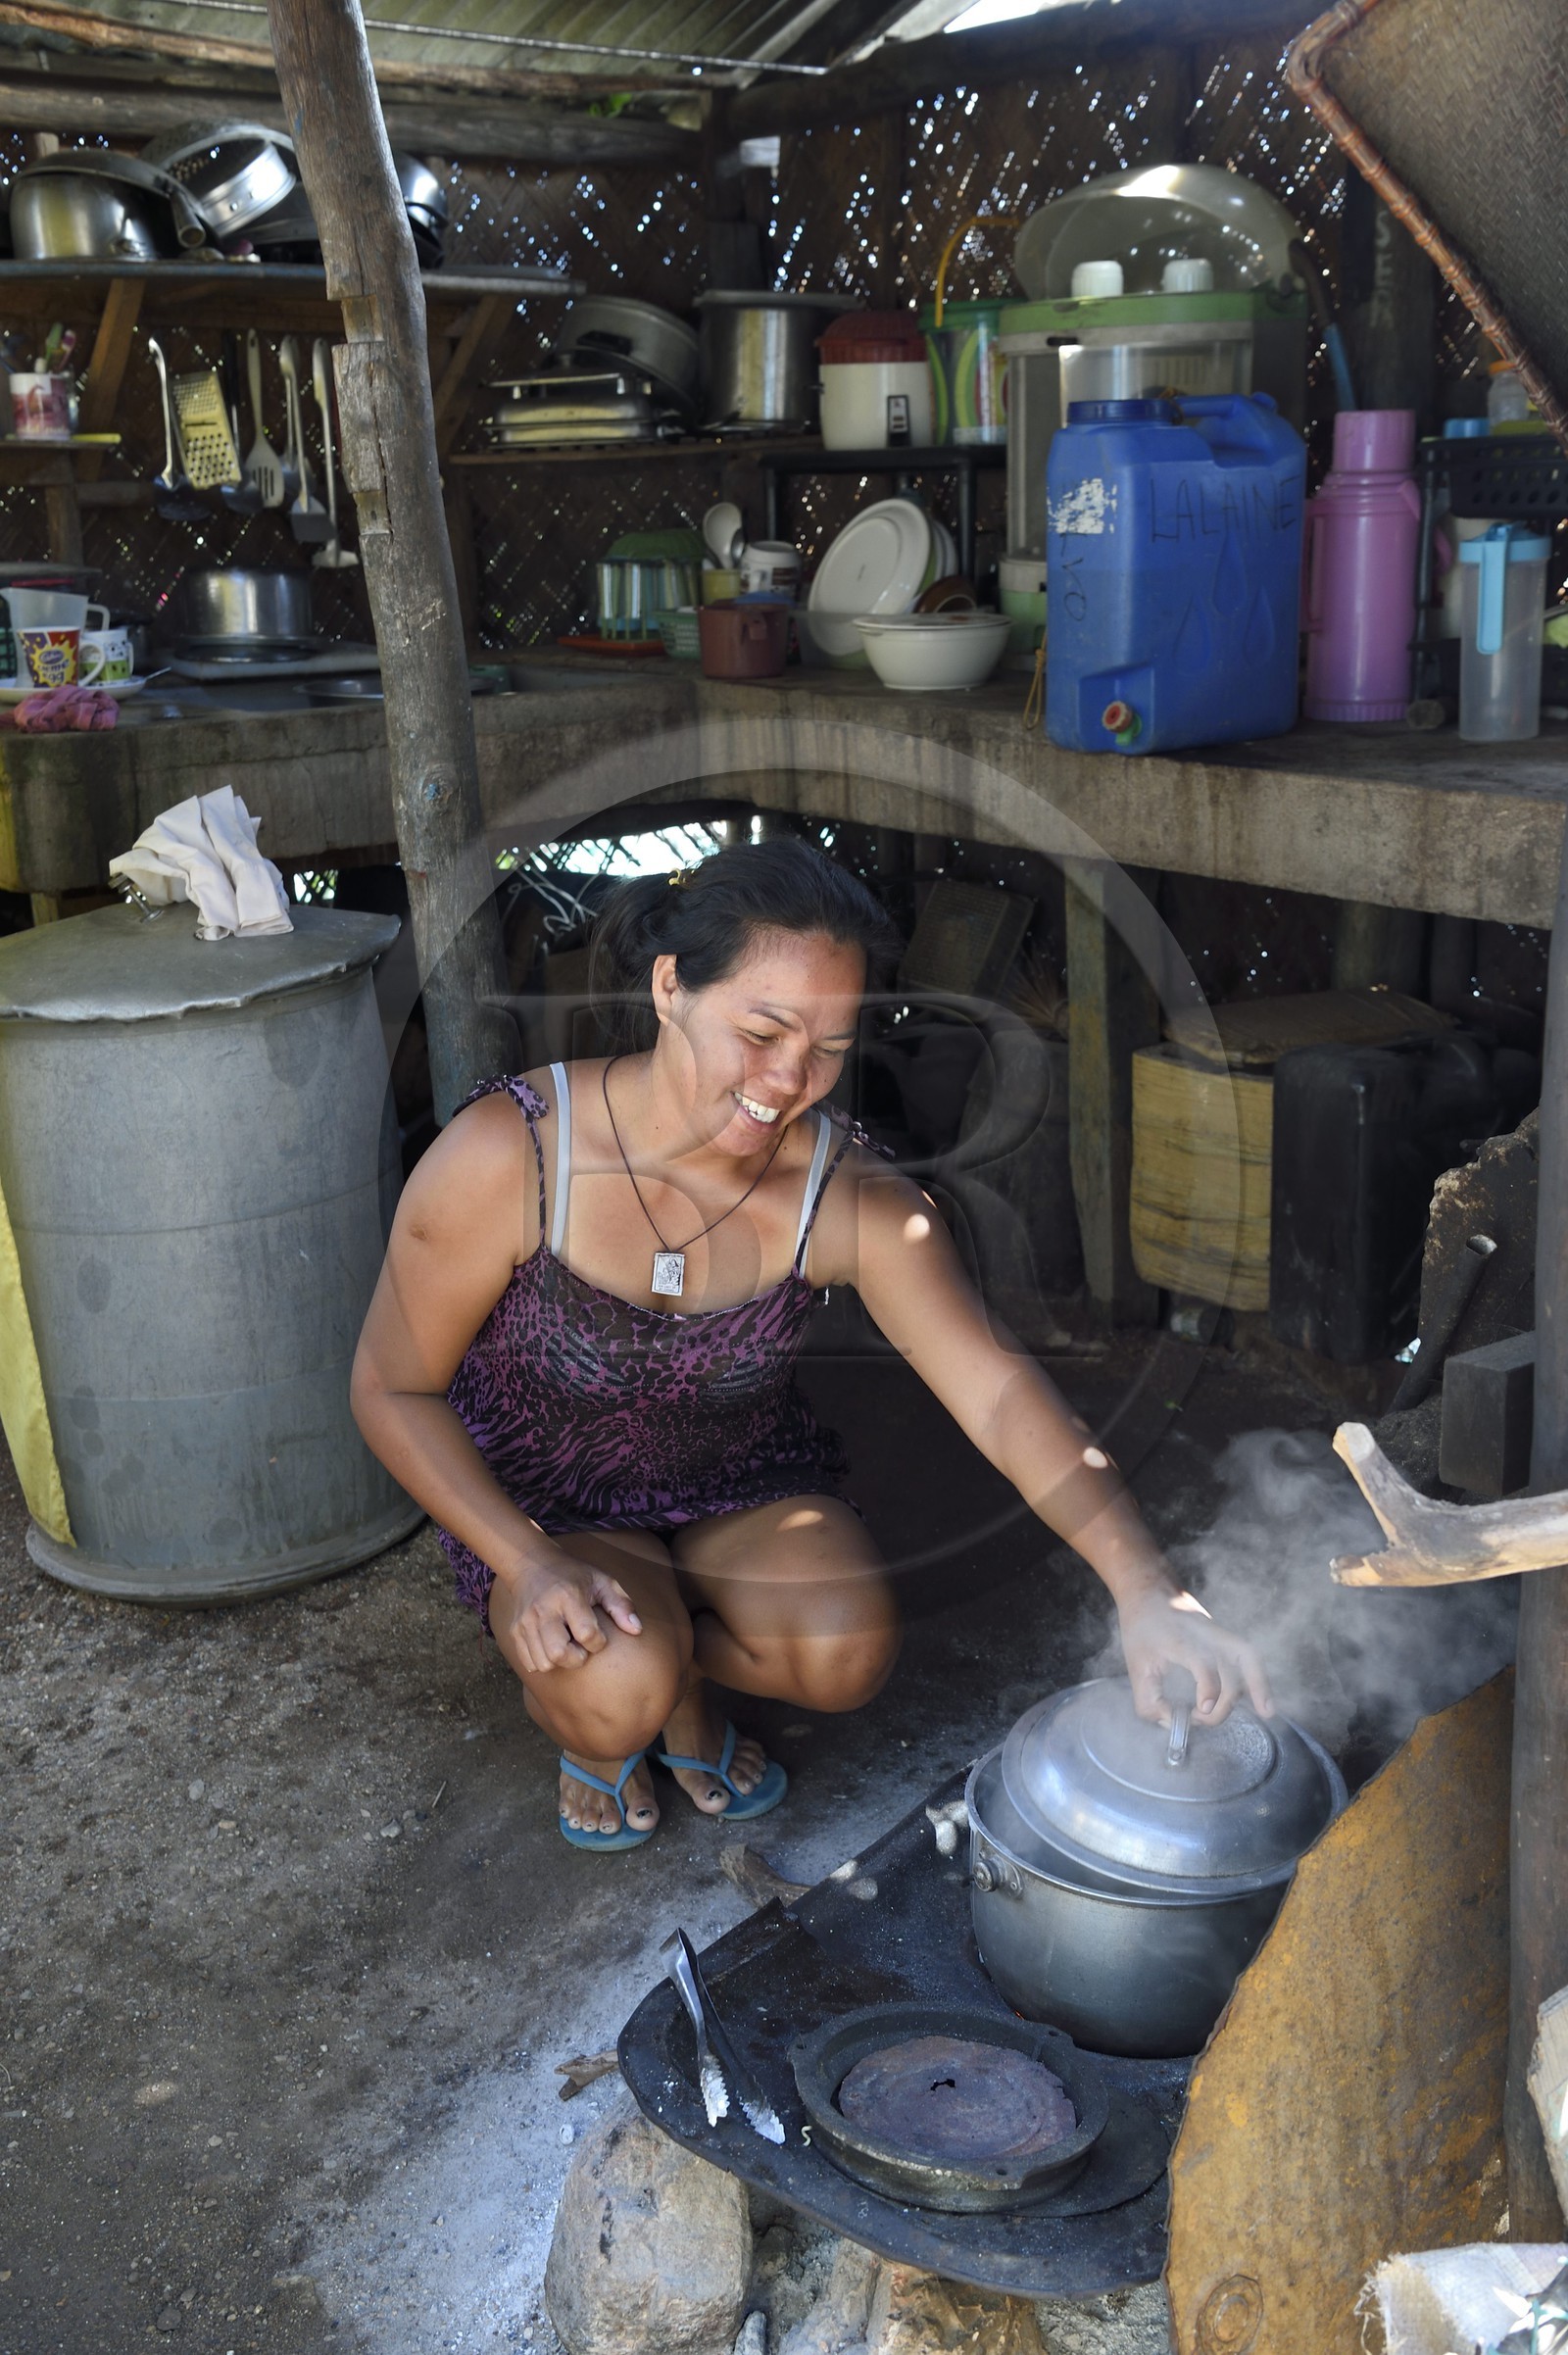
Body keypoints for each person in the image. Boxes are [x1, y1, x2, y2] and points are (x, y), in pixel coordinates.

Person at [352, 838, 1271, 1851]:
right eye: (761, 1030)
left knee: (844, 1653)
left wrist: (1149, 1591)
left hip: (738, 1486)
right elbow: (391, 1388)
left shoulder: (850, 1198)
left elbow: (1000, 1395)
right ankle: (626, 1697)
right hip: (549, 1507)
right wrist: (521, 1561)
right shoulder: (509, 1153)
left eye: (829, 1049)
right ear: (670, 988)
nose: (789, 1079)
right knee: (612, 1687)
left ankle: (681, 1674)